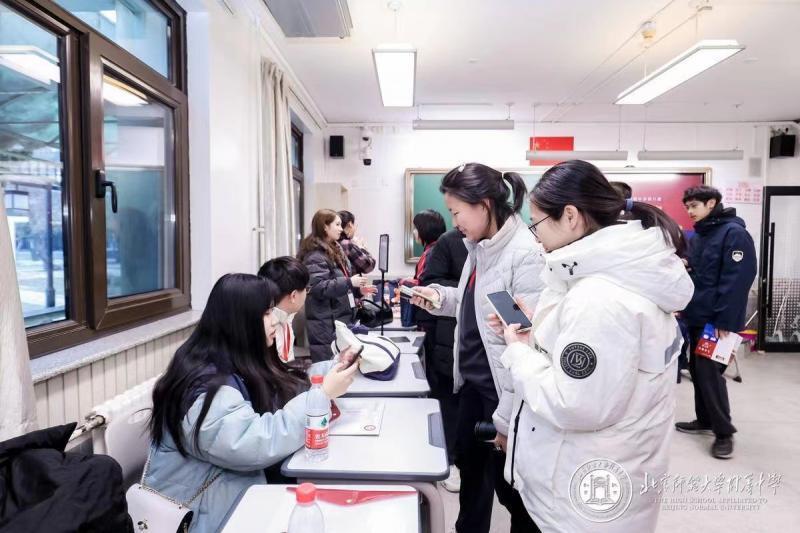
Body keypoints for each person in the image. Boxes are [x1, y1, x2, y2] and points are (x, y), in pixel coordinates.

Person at [492, 160, 694, 532]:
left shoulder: (599, 298)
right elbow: (596, 362)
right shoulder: (614, 277)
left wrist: (517, 350)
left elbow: (573, 403)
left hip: (578, 498)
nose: (535, 236)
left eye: (536, 223)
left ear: (570, 217)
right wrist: (538, 328)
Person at [145, 274, 359, 533]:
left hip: (233, 496)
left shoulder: (234, 359)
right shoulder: (204, 387)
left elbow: (284, 382)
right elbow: (255, 442)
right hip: (203, 517)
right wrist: (321, 396)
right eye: (267, 313)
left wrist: (331, 369)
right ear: (241, 321)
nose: (275, 320)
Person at [410, 163, 545, 533]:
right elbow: (485, 306)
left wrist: (505, 419)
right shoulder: (479, 247)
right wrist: (439, 298)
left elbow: (525, 338)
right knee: (471, 478)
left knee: (512, 491)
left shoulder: (523, 254)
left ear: (484, 204)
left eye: (457, 211)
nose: (455, 222)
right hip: (473, 384)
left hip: (502, 392)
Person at [675, 185, 756, 459]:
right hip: (698, 315)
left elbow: (737, 281)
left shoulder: (734, 234)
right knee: (698, 371)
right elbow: (699, 274)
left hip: (717, 321)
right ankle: (705, 420)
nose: (689, 212)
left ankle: (724, 433)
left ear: (711, 203)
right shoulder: (700, 236)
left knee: (709, 373)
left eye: (694, 206)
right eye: (687, 207)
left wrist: (725, 320)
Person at [419, 227, 468, 492]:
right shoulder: (450, 241)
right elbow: (431, 282)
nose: (457, 219)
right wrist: (469, 287)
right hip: (450, 336)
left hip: (486, 341)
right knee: (449, 404)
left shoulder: (506, 246)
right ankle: (450, 462)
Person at [298, 209, 377, 362]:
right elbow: (319, 287)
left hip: (339, 320)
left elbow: (339, 285)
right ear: (325, 227)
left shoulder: (335, 250)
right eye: (338, 224)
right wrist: (349, 282)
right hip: (325, 324)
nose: (342, 229)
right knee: (329, 369)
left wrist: (357, 290)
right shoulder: (315, 256)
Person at [257, 256, 309, 364]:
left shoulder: (286, 317)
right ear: (293, 296)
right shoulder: (270, 328)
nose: (307, 294)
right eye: (306, 289)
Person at [338, 210, 376, 275]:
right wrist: (361, 248)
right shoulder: (346, 244)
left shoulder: (337, 241)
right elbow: (369, 267)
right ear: (350, 224)